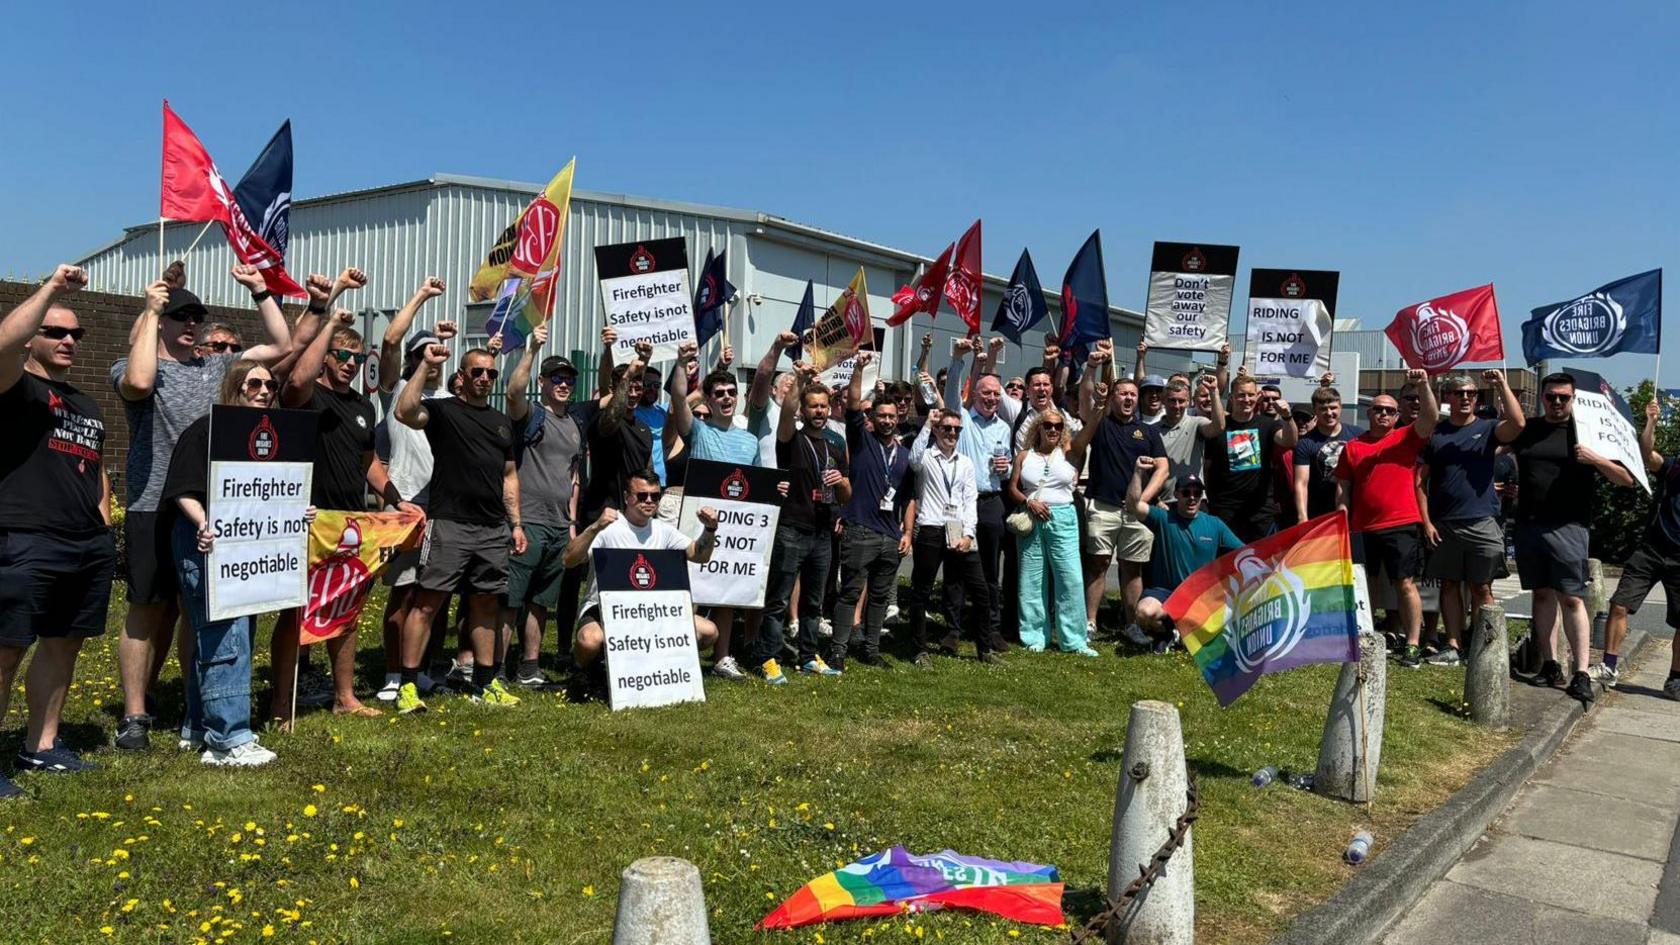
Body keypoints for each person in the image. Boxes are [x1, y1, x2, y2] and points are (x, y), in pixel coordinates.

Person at [108, 263, 298, 751]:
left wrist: (260, 291)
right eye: (180, 316)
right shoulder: (131, 364)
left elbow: (281, 347)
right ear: (162, 322)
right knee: (148, 610)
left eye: (197, 316)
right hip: (154, 503)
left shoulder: (217, 368)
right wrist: (151, 310)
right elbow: (142, 381)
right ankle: (136, 714)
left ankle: (197, 712)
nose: (191, 324)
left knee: (201, 612)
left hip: (216, 509)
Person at [162, 361, 312, 765]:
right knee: (225, 636)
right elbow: (182, 489)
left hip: (249, 553)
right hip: (207, 546)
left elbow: (276, 493)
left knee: (226, 635)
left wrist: (299, 511)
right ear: (235, 387)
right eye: (255, 383)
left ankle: (198, 725)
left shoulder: (280, 437)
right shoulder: (206, 431)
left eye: (271, 384)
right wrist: (204, 522)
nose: (265, 390)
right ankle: (229, 739)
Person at [0, 265, 112, 791]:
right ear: (35, 336)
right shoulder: (15, 388)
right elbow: (5, 340)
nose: (68, 340)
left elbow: (97, 468)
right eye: (56, 331)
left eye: (75, 334)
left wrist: (104, 524)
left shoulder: (86, 404)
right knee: (5, 649)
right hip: (24, 538)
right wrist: (49, 290)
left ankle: (40, 747)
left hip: (85, 544)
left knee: (63, 645)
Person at [393, 343, 527, 713]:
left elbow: (509, 476)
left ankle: (485, 683)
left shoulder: (501, 423)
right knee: (427, 603)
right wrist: (427, 364)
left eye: (490, 373)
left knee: (485, 603)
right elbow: (405, 411)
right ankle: (407, 685)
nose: (485, 378)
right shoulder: (443, 410)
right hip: (449, 523)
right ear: (462, 377)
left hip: (491, 527)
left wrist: (515, 523)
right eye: (477, 372)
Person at [1509, 373, 1635, 702]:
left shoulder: (1587, 432)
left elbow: (1627, 479)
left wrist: (1596, 458)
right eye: (1551, 397)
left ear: (1573, 398)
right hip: (1529, 525)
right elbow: (1494, 447)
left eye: (1564, 397)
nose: (1557, 403)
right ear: (1543, 397)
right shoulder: (1529, 429)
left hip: (1569, 526)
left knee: (1572, 599)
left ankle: (1580, 671)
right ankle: (1550, 664)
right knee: (1541, 595)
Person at [670, 340, 777, 680]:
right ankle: (681, 653)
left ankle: (722, 659)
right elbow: (676, 400)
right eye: (719, 393)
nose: (727, 397)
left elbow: (757, 486)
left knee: (727, 591)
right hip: (699, 524)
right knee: (693, 590)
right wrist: (680, 363)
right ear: (708, 399)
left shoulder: (748, 440)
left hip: (737, 528)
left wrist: (777, 489)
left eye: (732, 391)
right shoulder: (697, 430)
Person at [373, 277, 453, 701]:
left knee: (435, 596)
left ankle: (418, 669)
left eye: (438, 353)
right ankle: (390, 673)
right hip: (404, 505)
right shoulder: (398, 391)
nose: (434, 358)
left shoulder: (447, 397)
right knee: (402, 593)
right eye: (425, 353)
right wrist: (421, 294)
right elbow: (389, 339)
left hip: (442, 508)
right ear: (412, 359)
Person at [749, 366, 851, 682]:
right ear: (804, 410)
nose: (818, 412)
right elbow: (787, 409)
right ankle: (768, 657)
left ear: (828, 406)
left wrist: (842, 481)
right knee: (778, 599)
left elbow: (847, 494)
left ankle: (809, 655)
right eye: (812, 406)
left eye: (822, 406)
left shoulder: (835, 444)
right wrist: (801, 382)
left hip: (822, 532)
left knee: (813, 600)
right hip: (791, 527)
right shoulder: (790, 438)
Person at [1417, 371, 1524, 667]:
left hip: (1482, 520)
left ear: (1477, 398)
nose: (1466, 398)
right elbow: (1419, 482)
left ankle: (1484, 643)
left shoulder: (1489, 428)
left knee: (1482, 587)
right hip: (1444, 522)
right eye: (1460, 393)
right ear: (1448, 398)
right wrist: (1426, 522)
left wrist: (1502, 384)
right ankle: (1452, 644)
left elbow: (1518, 424)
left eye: (1472, 393)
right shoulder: (1436, 434)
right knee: (1449, 585)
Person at [562, 471, 720, 672]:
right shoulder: (608, 527)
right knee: (589, 640)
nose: (649, 501)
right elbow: (569, 560)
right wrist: (594, 528)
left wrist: (709, 529)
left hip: (649, 611)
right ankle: (581, 672)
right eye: (642, 495)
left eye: (655, 496)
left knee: (709, 632)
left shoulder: (663, 530)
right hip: (604, 608)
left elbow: (699, 556)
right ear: (627, 497)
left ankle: (658, 668)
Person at [1334, 371, 1438, 668]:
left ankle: (1413, 644)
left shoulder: (1407, 437)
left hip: (1401, 524)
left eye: (1389, 410)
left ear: (1397, 416)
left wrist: (1424, 385)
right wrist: (1341, 512)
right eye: (1378, 409)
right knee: (1364, 585)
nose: (1383, 414)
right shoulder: (1353, 446)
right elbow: (1343, 486)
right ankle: (1363, 637)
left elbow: (1430, 418)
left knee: (1405, 584)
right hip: (1361, 527)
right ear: (1369, 413)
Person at [501, 324, 583, 689]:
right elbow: (513, 391)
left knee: (540, 602)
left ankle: (529, 667)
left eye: (568, 379)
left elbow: (573, 477)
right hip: (527, 521)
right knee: (511, 599)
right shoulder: (531, 414)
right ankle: (493, 669)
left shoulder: (575, 426)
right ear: (544, 382)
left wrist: (571, 522)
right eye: (556, 378)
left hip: (557, 525)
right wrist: (532, 349)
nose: (563, 384)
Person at [1071, 340, 1168, 646]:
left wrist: (1143, 500)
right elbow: (1086, 400)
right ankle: (1090, 622)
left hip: (1136, 512)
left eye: (1132, 395)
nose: (1128, 399)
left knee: (1132, 568)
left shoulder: (1149, 432)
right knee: (1098, 565)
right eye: (1123, 394)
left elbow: (1163, 468)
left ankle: (1133, 625)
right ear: (1112, 397)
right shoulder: (1100, 423)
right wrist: (1091, 367)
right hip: (1103, 506)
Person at [829, 352, 914, 670]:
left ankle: (871, 647)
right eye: (882, 416)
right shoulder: (861, 439)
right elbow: (852, 404)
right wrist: (860, 369)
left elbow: (908, 497)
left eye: (892, 416)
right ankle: (838, 649)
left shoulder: (905, 455)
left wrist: (907, 532)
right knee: (850, 591)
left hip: (890, 535)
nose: (888, 421)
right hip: (861, 527)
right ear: (873, 418)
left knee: (879, 596)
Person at [940, 336, 1023, 648]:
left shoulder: (1003, 426)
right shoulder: (961, 420)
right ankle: (953, 630)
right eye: (985, 393)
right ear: (973, 395)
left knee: (989, 568)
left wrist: (1006, 467)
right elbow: (950, 393)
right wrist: (959, 359)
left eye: (995, 394)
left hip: (991, 501)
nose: (991, 398)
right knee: (956, 565)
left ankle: (989, 628)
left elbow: (1008, 464)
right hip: (961, 503)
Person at [904, 406, 998, 667]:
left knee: (981, 591)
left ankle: (984, 649)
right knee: (921, 591)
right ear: (936, 430)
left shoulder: (965, 462)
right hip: (932, 528)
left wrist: (968, 534)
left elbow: (971, 500)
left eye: (957, 429)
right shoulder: (926, 457)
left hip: (960, 530)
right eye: (947, 428)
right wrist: (926, 426)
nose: (952, 434)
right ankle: (919, 649)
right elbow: (912, 460)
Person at [1598, 399, 1680, 695]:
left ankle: (1675, 678)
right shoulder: (1675, 468)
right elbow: (1647, 456)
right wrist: (1651, 422)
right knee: (1620, 604)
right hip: (1652, 549)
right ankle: (1608, 666)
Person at [1009, 408, 1095, 654]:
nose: (1053, 430)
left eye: (1058, 426)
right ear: (1038, 428)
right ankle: (1034, 636)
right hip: (1032, 518)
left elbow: (1089, 432)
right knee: (1032, 580)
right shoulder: (1024, 456)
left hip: (1063, 517)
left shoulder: (1069, 453)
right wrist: (1029, 502)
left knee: (1071, 579)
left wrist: (1098, 406)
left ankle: (1074, 640)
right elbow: (1013, 488)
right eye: (1047, 425)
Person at [1129, 461, 1243, 641]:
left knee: (1225, 627)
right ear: (1176, 495)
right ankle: (1167, 632)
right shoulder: (1163, 518)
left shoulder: (1215, 524)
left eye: (1197, 493)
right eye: (1186, 493)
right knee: (1144, 613)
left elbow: (1244, 553)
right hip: (1165, 592)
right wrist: (1137, 473)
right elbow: (1134, 506)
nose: (1192, 498)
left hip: (1201, 595)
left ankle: (1182, 629)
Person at [1205, 373, 1298, 543]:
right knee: (1227, 564)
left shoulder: (1268, 424)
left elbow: (1289, 440)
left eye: (1250, 394)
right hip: (1226, 511)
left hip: (1260, 512)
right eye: (1241, 395)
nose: (1246, 399)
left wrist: (1287, 417)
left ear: (1257, 397)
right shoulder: (1219, 428)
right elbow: (1207, 468)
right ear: (1232, 398)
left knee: (1261, 566)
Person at [1294, 386, 1362, 523]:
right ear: (1315, 411)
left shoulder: (1358, 435)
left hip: (1356, 511)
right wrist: (1302, 517)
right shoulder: (1305, 443)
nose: (1329, 413)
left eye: (1333, 408)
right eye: (1323, 409)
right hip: (1319, 514)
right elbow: (1301, 483)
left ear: (1340, 407)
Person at [1157, 376, 1216, 498]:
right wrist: (1155, 500)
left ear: (1189, 401)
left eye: (1181, 401)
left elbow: (1218, 428)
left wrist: (1214, 392)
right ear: (1163, 401)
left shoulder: (1197, 423)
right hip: (1163, 503)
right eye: (1172, 400)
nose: (1177, 405)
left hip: (1195, 499)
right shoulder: (1152, 431)